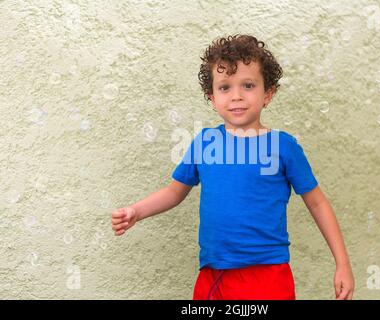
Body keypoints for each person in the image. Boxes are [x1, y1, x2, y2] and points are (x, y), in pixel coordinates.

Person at [111, 34, 354, 300]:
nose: (236, 96)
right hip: (213, 277)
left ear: (268, 94)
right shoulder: (204, 143)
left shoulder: (283, 147)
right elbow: (174, 192)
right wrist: (137, 211)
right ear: (212, 97)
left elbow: (317, 203)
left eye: (248, 85)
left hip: (268, 276)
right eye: (225, 87)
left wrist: (342, 264)